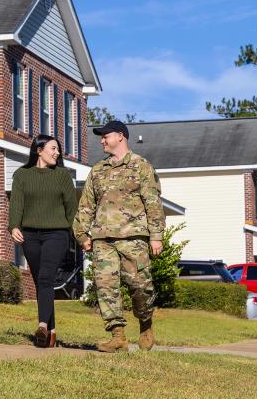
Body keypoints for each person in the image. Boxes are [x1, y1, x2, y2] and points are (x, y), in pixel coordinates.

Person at [73, 120, 165, 352]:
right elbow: (86, 205)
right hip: (103, 238)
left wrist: (156, 235)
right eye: (101, 136)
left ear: (121, 136)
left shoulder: (141, 166)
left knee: (140, 287)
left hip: (134, 237)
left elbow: (153, 203)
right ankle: (118, 337)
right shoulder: (98, 171)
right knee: (105, 287)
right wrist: (82, 234)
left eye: (106, 135)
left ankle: (146, 322)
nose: (102, 140)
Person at [9, 134, 78, 348]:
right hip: (30, 236)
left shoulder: (63, 176)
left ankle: (41, 326)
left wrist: (78, 235)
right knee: (41, 281)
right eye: (53, 148)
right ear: (39, 150)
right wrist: (13, 226)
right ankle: (52, 332)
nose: (57, 153)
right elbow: (16, 203)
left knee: (46, 278)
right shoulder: (22, 175)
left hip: (57, 234)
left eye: (58, 149)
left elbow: (72, 209)